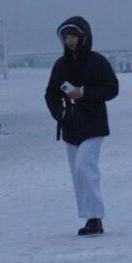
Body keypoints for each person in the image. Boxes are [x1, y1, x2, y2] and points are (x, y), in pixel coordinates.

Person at [44, 16, 119, 235]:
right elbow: (51, 93)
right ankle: (89, 217)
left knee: (84, 167)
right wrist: (60, 113)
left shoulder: (97, 61)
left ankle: (96, 217)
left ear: (83, 37)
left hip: (93, 123)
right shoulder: (61, 65)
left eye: (73, 36)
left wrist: (84, 92)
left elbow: (112, 88)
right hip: (70, 126)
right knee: (77, 174)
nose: (69, 40)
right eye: (66, 37)